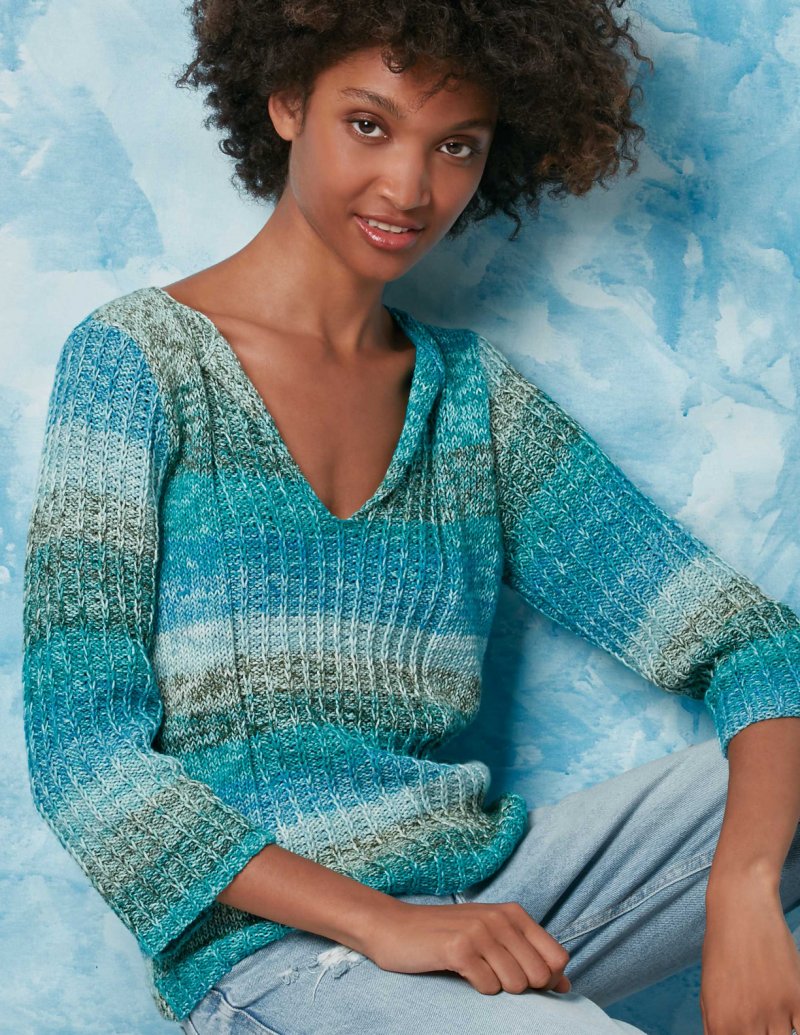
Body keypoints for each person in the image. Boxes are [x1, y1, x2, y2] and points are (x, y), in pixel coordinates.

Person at [21, 1, 800, 1033]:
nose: (408, 188)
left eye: (455, 145)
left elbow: (750, 643)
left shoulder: (476, 404)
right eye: (369, 124)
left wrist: (743, 886)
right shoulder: (137, 363)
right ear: (287, 100)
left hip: (492, 900)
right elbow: (84, 761)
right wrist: (382, 923)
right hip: (278, 958)